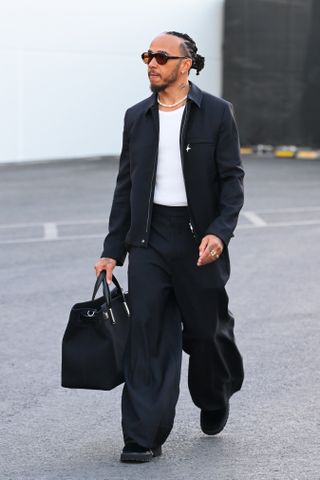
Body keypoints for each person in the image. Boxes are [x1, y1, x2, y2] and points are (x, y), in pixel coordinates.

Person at [95, 31, 244, 463]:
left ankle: (215, 394)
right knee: (148, 334)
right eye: (147, 56)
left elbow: (232, 180)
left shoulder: (216, 113)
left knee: (205, 332)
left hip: (201, 239)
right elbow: (126, 186)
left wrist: (220, 231)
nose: (151, 63)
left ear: (186, 64)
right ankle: (143, 435)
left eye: (161, 56)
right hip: (149, 238)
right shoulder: (136, 117)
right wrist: (113, 249)